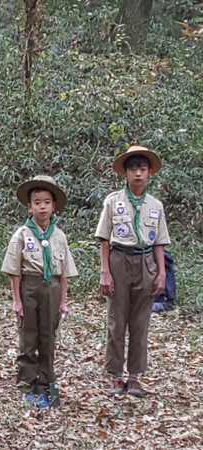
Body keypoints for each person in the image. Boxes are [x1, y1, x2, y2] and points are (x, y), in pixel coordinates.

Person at [95, 145, 170, 397]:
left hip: (146, 261)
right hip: (119, 260)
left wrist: (161, 273)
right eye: (133, 169)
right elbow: (104, 238)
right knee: (116, 320)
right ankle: (116, 376)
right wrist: (105, 271)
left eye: (142, 169)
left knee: (140, 322)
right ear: (124, 173)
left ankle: (135, 376)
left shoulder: (155, 205)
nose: (138, 174)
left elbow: (159, 242)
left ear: (149, 173)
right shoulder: (113, 201)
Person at [1, 175, 78, 408]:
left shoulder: (59, 236)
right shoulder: (22, 235)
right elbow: (13, 270)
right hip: (29, 287)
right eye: (37, 202)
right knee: (28, 336)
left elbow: (64, 272)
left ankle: (46, 384)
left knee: (48, 337)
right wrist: (17, 300)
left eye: (46, 202)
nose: (42, 207)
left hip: (52, 289)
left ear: (53, 205)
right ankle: (27, 384)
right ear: (29, 206)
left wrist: (63, 301)